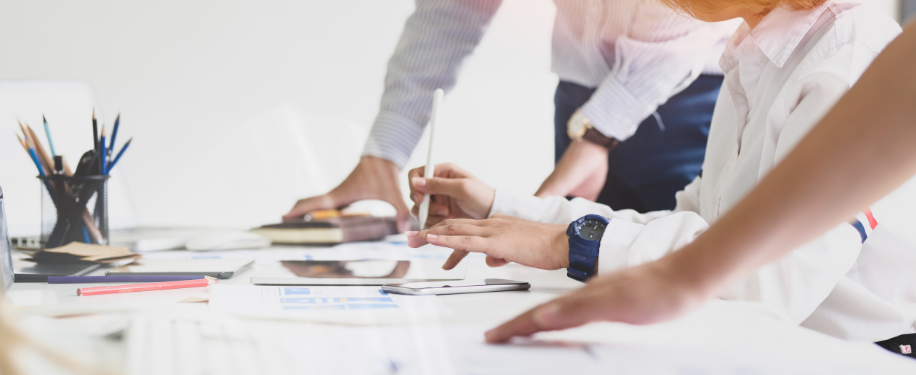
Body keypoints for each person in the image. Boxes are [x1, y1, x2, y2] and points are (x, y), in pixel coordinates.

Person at [406, 0, 915, 349]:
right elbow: (693, 224)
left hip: (854, 355)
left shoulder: (848, 60)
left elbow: (771, 283)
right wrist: (505, 209)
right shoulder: (756, 52)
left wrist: (572, 243)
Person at [284, 0, 738, 230]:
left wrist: (599, 135)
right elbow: (451, 14)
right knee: (581, 267)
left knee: (689, 265)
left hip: (691, 93)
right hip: (580, 98)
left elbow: (688, 22)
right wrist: (383, 155)